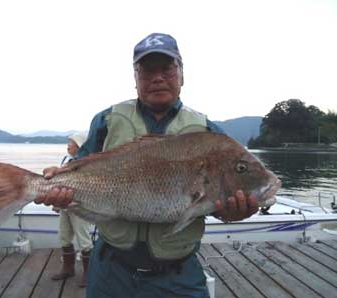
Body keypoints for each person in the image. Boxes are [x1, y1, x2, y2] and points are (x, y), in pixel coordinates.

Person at [35, 33, 259, 298]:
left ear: (182, 74)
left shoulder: (209, 133)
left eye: (167, 68)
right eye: (147, 70)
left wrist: (234, 212)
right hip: (110, 270)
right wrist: (57, 183)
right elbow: (77, 168)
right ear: (135, 78)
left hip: (177, 275)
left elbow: (215, 206)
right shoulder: (107, 120)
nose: (157, 77)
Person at [50, 133, 93, 288]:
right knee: (64, 236)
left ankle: (89, 274)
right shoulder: (65, 160)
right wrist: (57, 203)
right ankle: (68, 269)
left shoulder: (85, 163)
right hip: (65, 207)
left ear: (79, 146)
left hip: (79, 206)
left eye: (71, 143)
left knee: (84, 240)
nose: (68, 145)